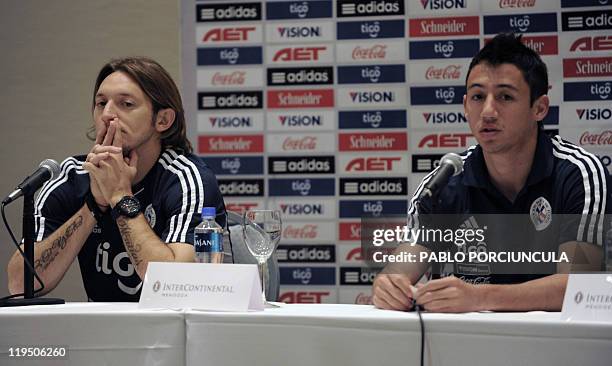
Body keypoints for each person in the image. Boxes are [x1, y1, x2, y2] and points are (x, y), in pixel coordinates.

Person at [372, 33, 610, 313]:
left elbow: (578, 287)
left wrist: (479, 297)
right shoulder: (446, 181)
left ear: (539, 108)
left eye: (505, 97)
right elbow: (400, 269)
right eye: (477, 96)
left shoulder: (579, 174)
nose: (487, 111)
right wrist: (389, 287)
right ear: (464, 106)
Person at [7, 57, 225, 301]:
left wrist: (121, 196)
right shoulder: (70, 176)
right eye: (101, 103)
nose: (108, 114)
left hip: (172, 332)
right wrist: (93, 205)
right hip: (101, 332)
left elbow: (174, 285)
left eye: (126, 104)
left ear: (162, 120)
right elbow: (19, 283)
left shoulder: (186, 178)